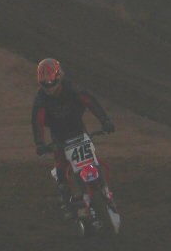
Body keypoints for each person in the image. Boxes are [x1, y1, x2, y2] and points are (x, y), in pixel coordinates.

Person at [31, 58, 115, 214]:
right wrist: (40, 143)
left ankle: (104, 189)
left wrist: (105, 120)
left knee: (93, 158)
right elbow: (37, 121)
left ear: (58, 78)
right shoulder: (40, 99)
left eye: (51, 84)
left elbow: (90, 101)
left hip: (78, 130)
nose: (48, 88)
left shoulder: (71, 88)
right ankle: (66, 198)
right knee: (61, 166)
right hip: (59, 137)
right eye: (45, 85)